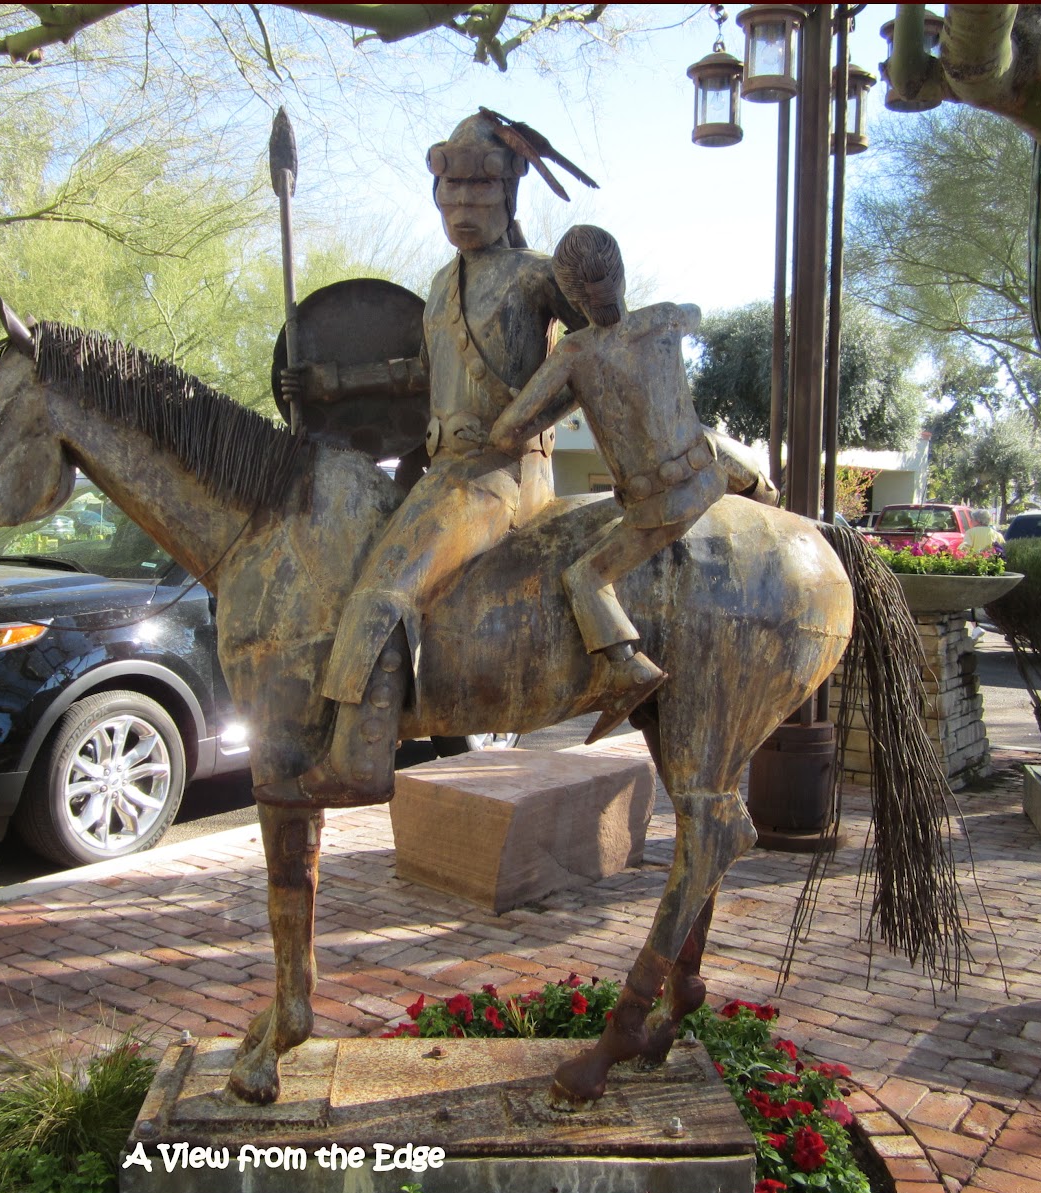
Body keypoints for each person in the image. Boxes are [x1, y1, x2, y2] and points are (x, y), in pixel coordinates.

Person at [253, 111, 589, 808]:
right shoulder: (441, 284)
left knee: (385, 586)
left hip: (503, 478)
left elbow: (601, 351)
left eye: (479, 194)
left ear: (507, 200)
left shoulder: (536, 278)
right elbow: (421, 374)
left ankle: (357, 757)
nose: (464, 207)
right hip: (442, 472)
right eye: (452, 195)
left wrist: (533, 417)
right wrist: (330, 384)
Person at [490, 225, 778, 742]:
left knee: (583, 578)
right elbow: (697, 312)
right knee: (720, 442)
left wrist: (568, 398)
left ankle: (627, 666)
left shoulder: (575, 355)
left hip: (658, 508)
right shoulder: (667, 317)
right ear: (620, 275)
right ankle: (766, 493)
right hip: (712, 473)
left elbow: (507, 430)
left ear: (572, 297)